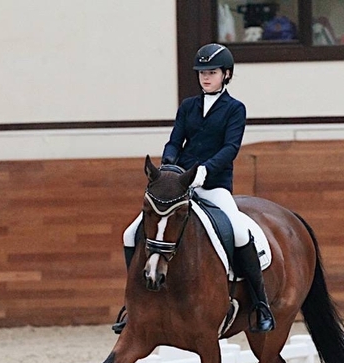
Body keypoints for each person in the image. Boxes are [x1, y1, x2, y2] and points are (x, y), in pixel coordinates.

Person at [112, 43, 275, 335]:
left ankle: (260, 304)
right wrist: (168, 167)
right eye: (202, 73)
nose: (205, 78)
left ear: (226, 74)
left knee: (239, 231)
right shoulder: (188, 106)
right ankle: (132, 302)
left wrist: (205, 170)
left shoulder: (235, 109)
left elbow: (230, 148)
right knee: (130, 233)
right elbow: (176, 140)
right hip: (180, 184)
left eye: (212, 72)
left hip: (213, 185)